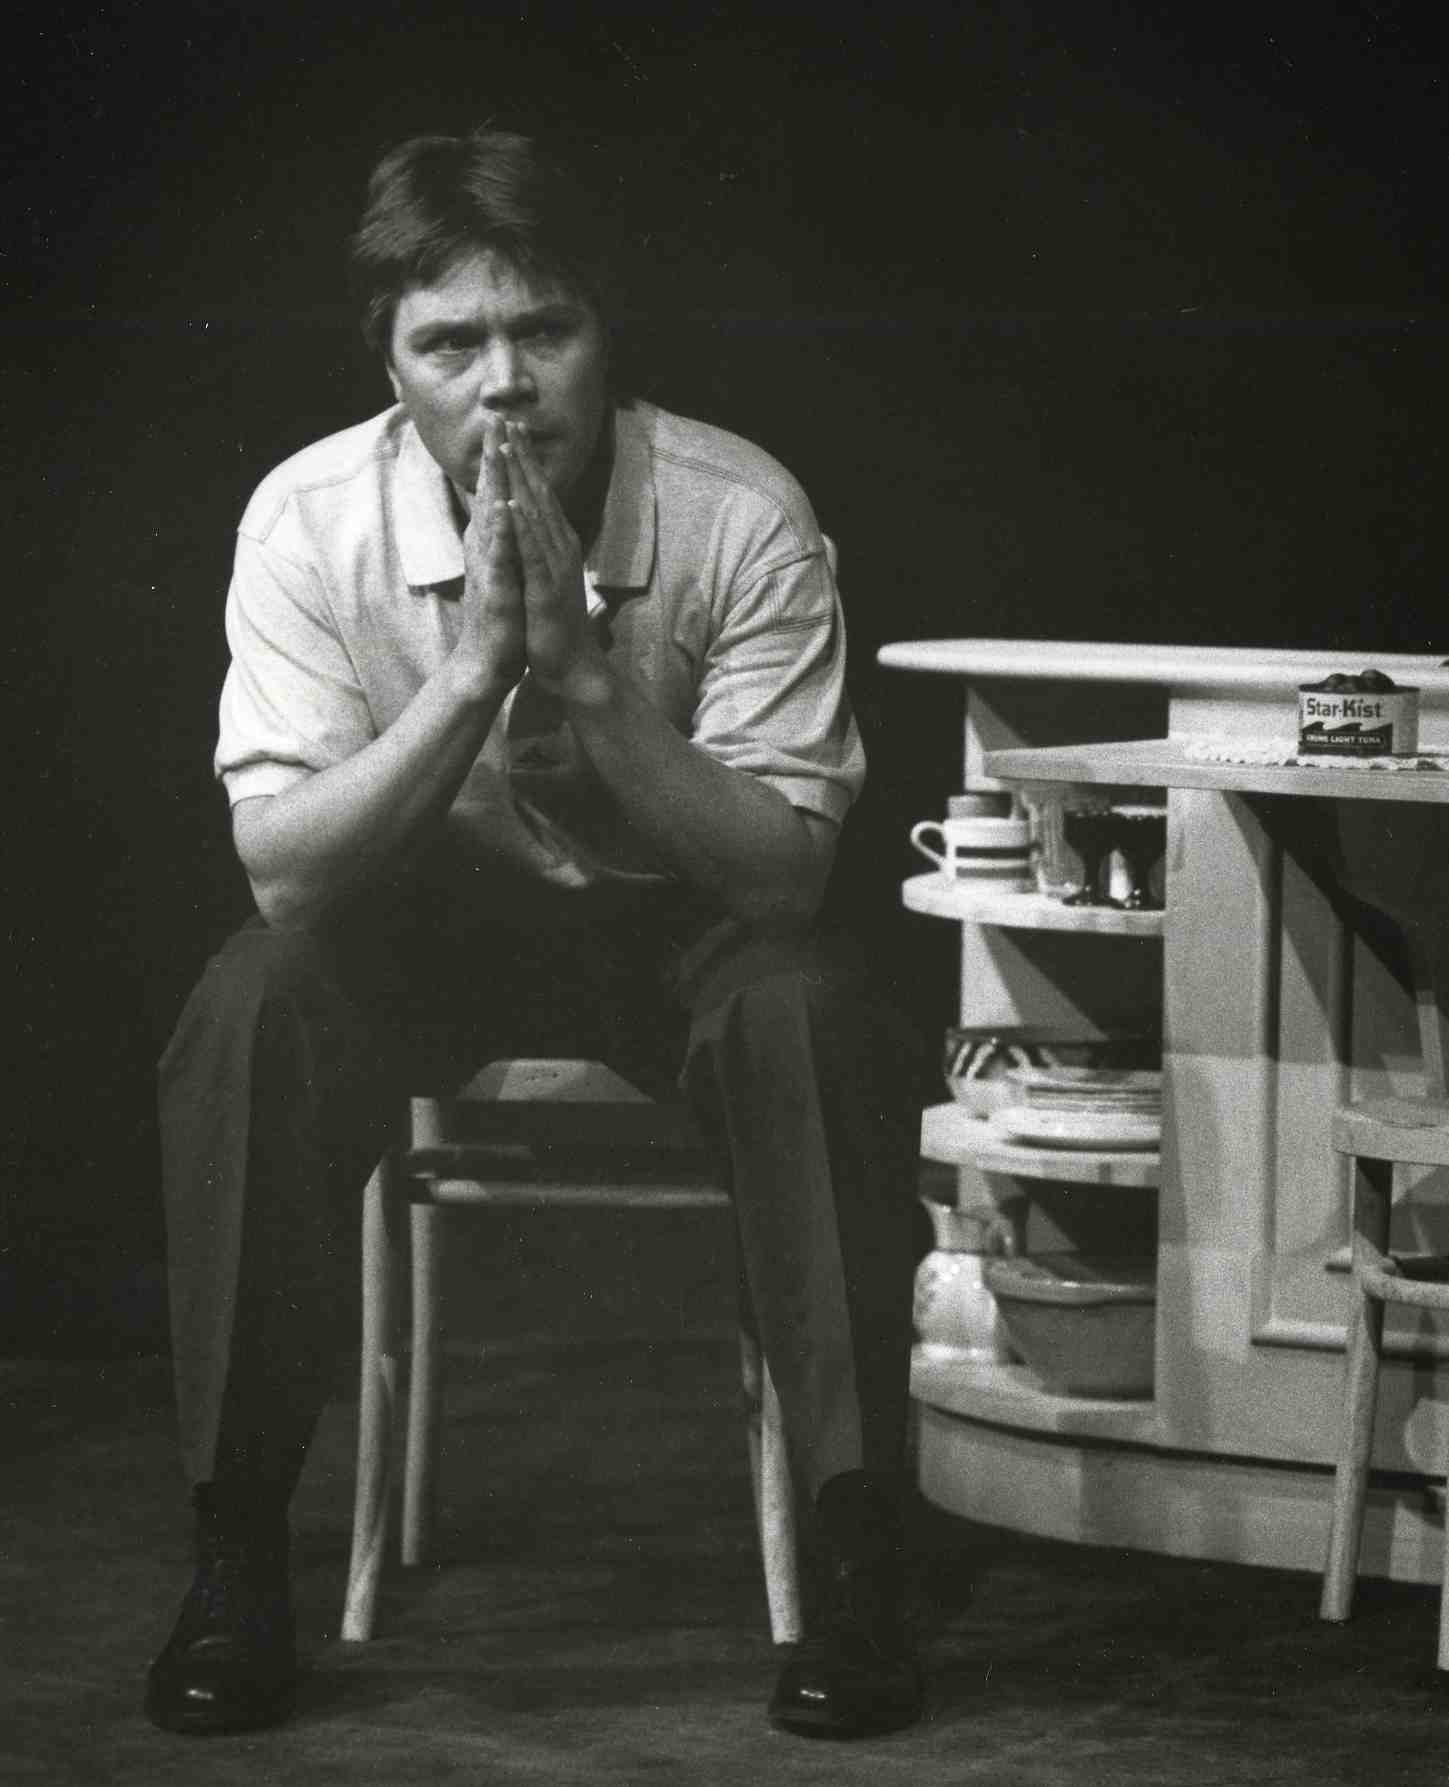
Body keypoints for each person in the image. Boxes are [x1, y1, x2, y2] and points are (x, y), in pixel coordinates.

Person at [145, 128, 922, 1742]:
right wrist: (468, 675)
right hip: (424, 925)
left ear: (604, 336)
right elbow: (283, 875)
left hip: (684, 928)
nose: (503, 384)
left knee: (811, 1014)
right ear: (391, 363)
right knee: (251, 1004)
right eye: (451, 343)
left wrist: (583, 678)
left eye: (543, 329)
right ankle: (233, 1561)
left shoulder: (738, 510)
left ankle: (857, 1569)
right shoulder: (310, 517)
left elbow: (784, 876)